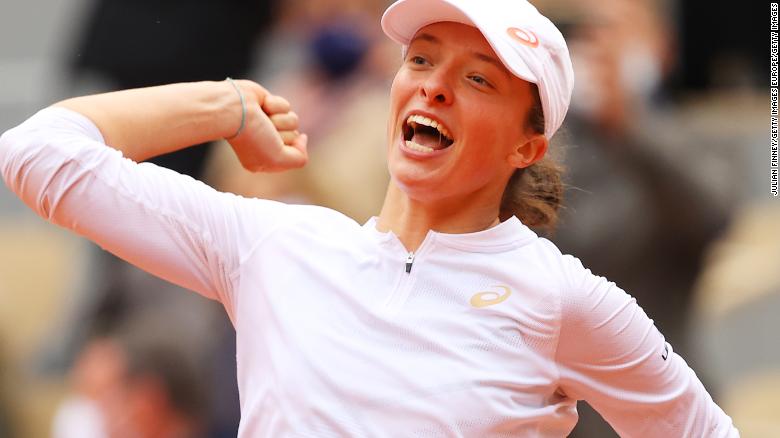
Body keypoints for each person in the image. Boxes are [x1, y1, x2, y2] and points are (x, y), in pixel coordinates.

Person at [0, 0, 739, 436]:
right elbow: (38, 154)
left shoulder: (562, 299)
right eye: (420, 60)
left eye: (478, 78)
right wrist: (229, 104)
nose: (435, 88)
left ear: (529, 143)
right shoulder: (274, 243)